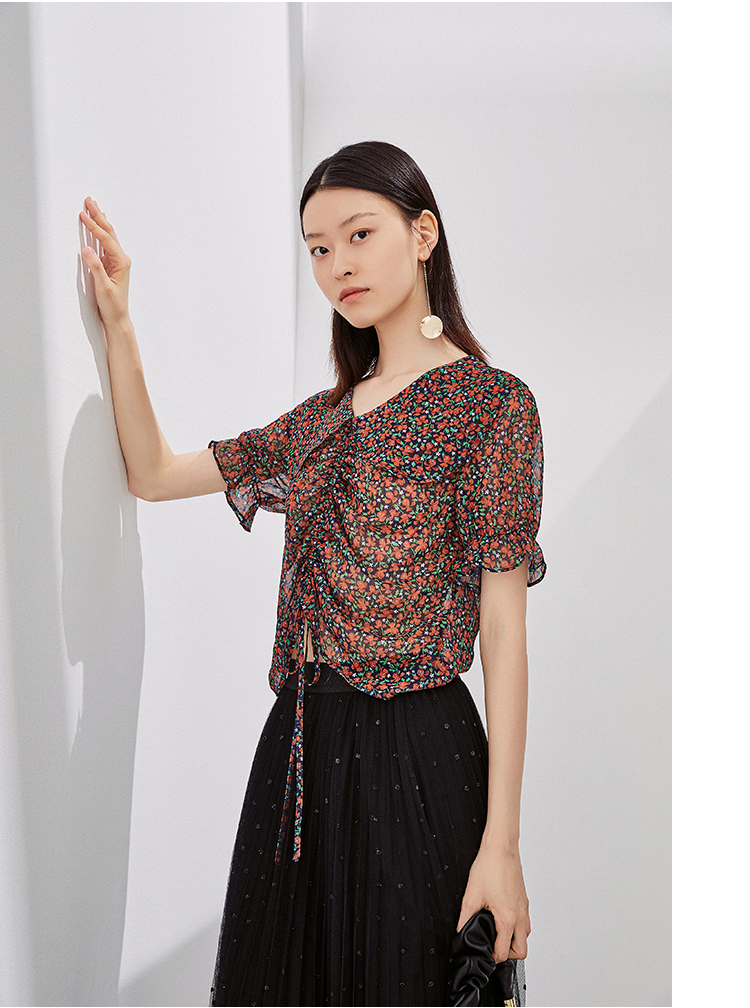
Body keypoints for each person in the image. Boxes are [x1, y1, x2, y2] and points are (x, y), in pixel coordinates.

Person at [79, 140, 545, 1008]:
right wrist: (120, 325)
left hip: (420, 749)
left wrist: (503, 847)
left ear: (423, 235)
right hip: (301, 754)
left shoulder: (493, 406)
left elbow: (504, 633)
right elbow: (154, 471)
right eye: (319, 249)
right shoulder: (322, 420)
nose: (338, 266)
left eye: (359, 235)